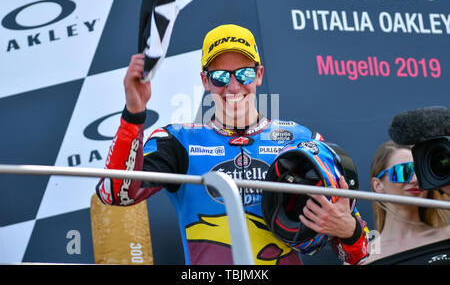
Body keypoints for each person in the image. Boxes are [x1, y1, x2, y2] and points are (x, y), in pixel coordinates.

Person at [96, 24, 369, 265]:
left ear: (259, 75)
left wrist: (350, 230)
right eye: (221, 77)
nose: (234, 87)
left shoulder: (302, 139)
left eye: (244, 75)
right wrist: (134, 113)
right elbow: (114, 194)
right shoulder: (179, 141)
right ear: (205, 81)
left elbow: (360, 254)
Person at [365, 141, 450, 264]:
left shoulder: (447, 236)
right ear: (378, 186)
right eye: (403, 171)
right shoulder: (361, 257)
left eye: (420, 173)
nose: (415, 180)